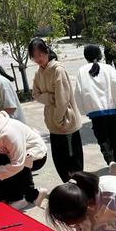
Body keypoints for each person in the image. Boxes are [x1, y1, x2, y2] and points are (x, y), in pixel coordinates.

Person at [29, 38, 83, 182]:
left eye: (40, 54)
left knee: (73, 164)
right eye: (34, 56)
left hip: (66, 123)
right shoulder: (38, 73)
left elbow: (63, 99)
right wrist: (49, 98)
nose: (38, 58)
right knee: (60, 161)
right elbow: (35, 94)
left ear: (47, 52)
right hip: (53, 125)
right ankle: (69, 192)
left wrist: (59, 119)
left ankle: (80, 194)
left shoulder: (58, 69)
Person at [74, 44, 116, 176]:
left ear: (86, 57)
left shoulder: (82, 71)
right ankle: (115, 159)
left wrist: (82, 109)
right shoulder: (108, 68)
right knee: (113, 135)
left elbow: (78, 92)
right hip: (112, 108)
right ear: (100, 55)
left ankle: (110, 160)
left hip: (95, 111)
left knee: (102, 137)